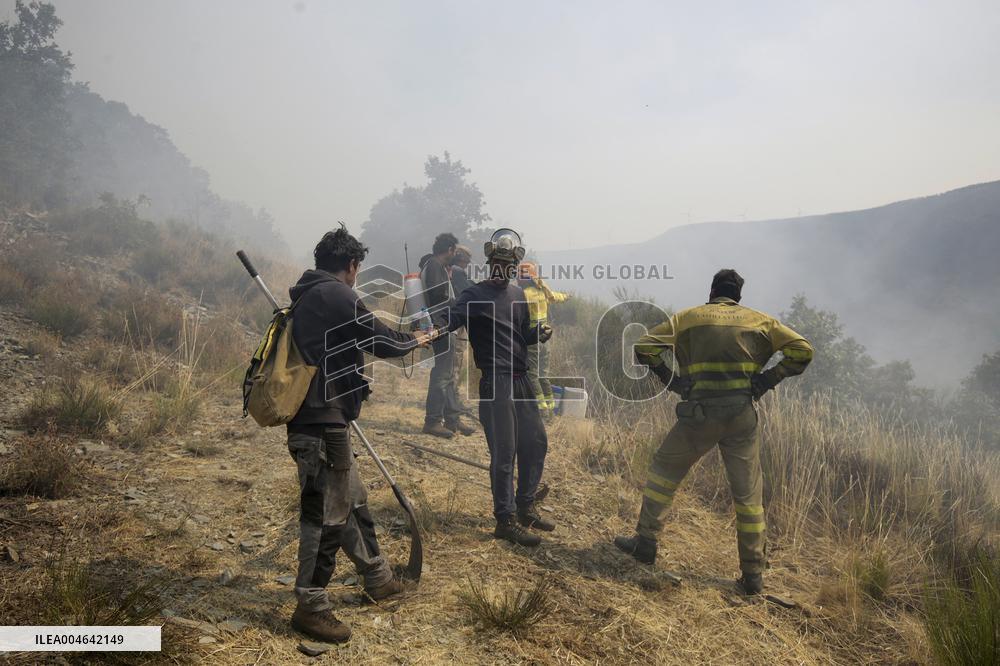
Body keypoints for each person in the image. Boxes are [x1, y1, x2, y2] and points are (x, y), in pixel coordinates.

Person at [614, 269, 813, 595]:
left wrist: (672, 380)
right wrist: (766, 380)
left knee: (665, 470)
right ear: (738, 296)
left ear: (712, 291)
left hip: (699, 414)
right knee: (748, 496)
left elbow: (645, 346)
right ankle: (752, 574)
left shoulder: (689, 318)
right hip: (740, 416)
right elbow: (803, 351)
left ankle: (646, 542)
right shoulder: (760, 321)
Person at [286, 225, 434, 643]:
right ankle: (310, 606)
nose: (356, 276)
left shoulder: (309, 293)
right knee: (325, 517)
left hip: (325, 420)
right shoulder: (336, 294)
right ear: (351, 266)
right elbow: (381, 339)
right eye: (356, 268)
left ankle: (379, 578)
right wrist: (417, 339)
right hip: (320, 423)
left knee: (351, 502)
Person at [446, 229, 554, 547]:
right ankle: (505, 520)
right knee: (504, 452)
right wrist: (427, 328)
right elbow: (450, 317)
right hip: (496, 381)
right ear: (490, 262)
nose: (503, 268)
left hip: (521, 378)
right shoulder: (474, 294)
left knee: (535, 442)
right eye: (498, 262)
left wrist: (538, 333)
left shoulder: (518, 296)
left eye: (509, 264)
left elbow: (521, 333)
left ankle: (525, 506)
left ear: (514, 266)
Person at [419, 233, 476, 438]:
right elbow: (438, 297)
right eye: (455, 251)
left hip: (444, 325)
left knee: (449, 374)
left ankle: (453, 419)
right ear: (450, 250)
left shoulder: (439, 267)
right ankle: (433, 421)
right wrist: (458, 304)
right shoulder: (434, 265)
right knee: (442, 374)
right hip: (440, 325)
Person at [518, 261, 569, 418]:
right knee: (543, 376)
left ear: (525, 278)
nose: (516, 280)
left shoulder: (524, 295)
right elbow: (555, 297)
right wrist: (566, 296)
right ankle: (552, 410)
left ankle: (542, 411)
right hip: (545, 339)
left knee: (532, 375)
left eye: (518, 276)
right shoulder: (542, 292)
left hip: (533, 340)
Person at [449, 245, 475, 409]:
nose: (467, 265)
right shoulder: (457, 271)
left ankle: (452, 399)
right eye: (466, 262)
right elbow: (468, 290)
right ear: (461, 259)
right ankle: (453, 401)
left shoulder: (451, 270)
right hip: (457, 323)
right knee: (455, 361)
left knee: (453, 362)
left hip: (452, 320)